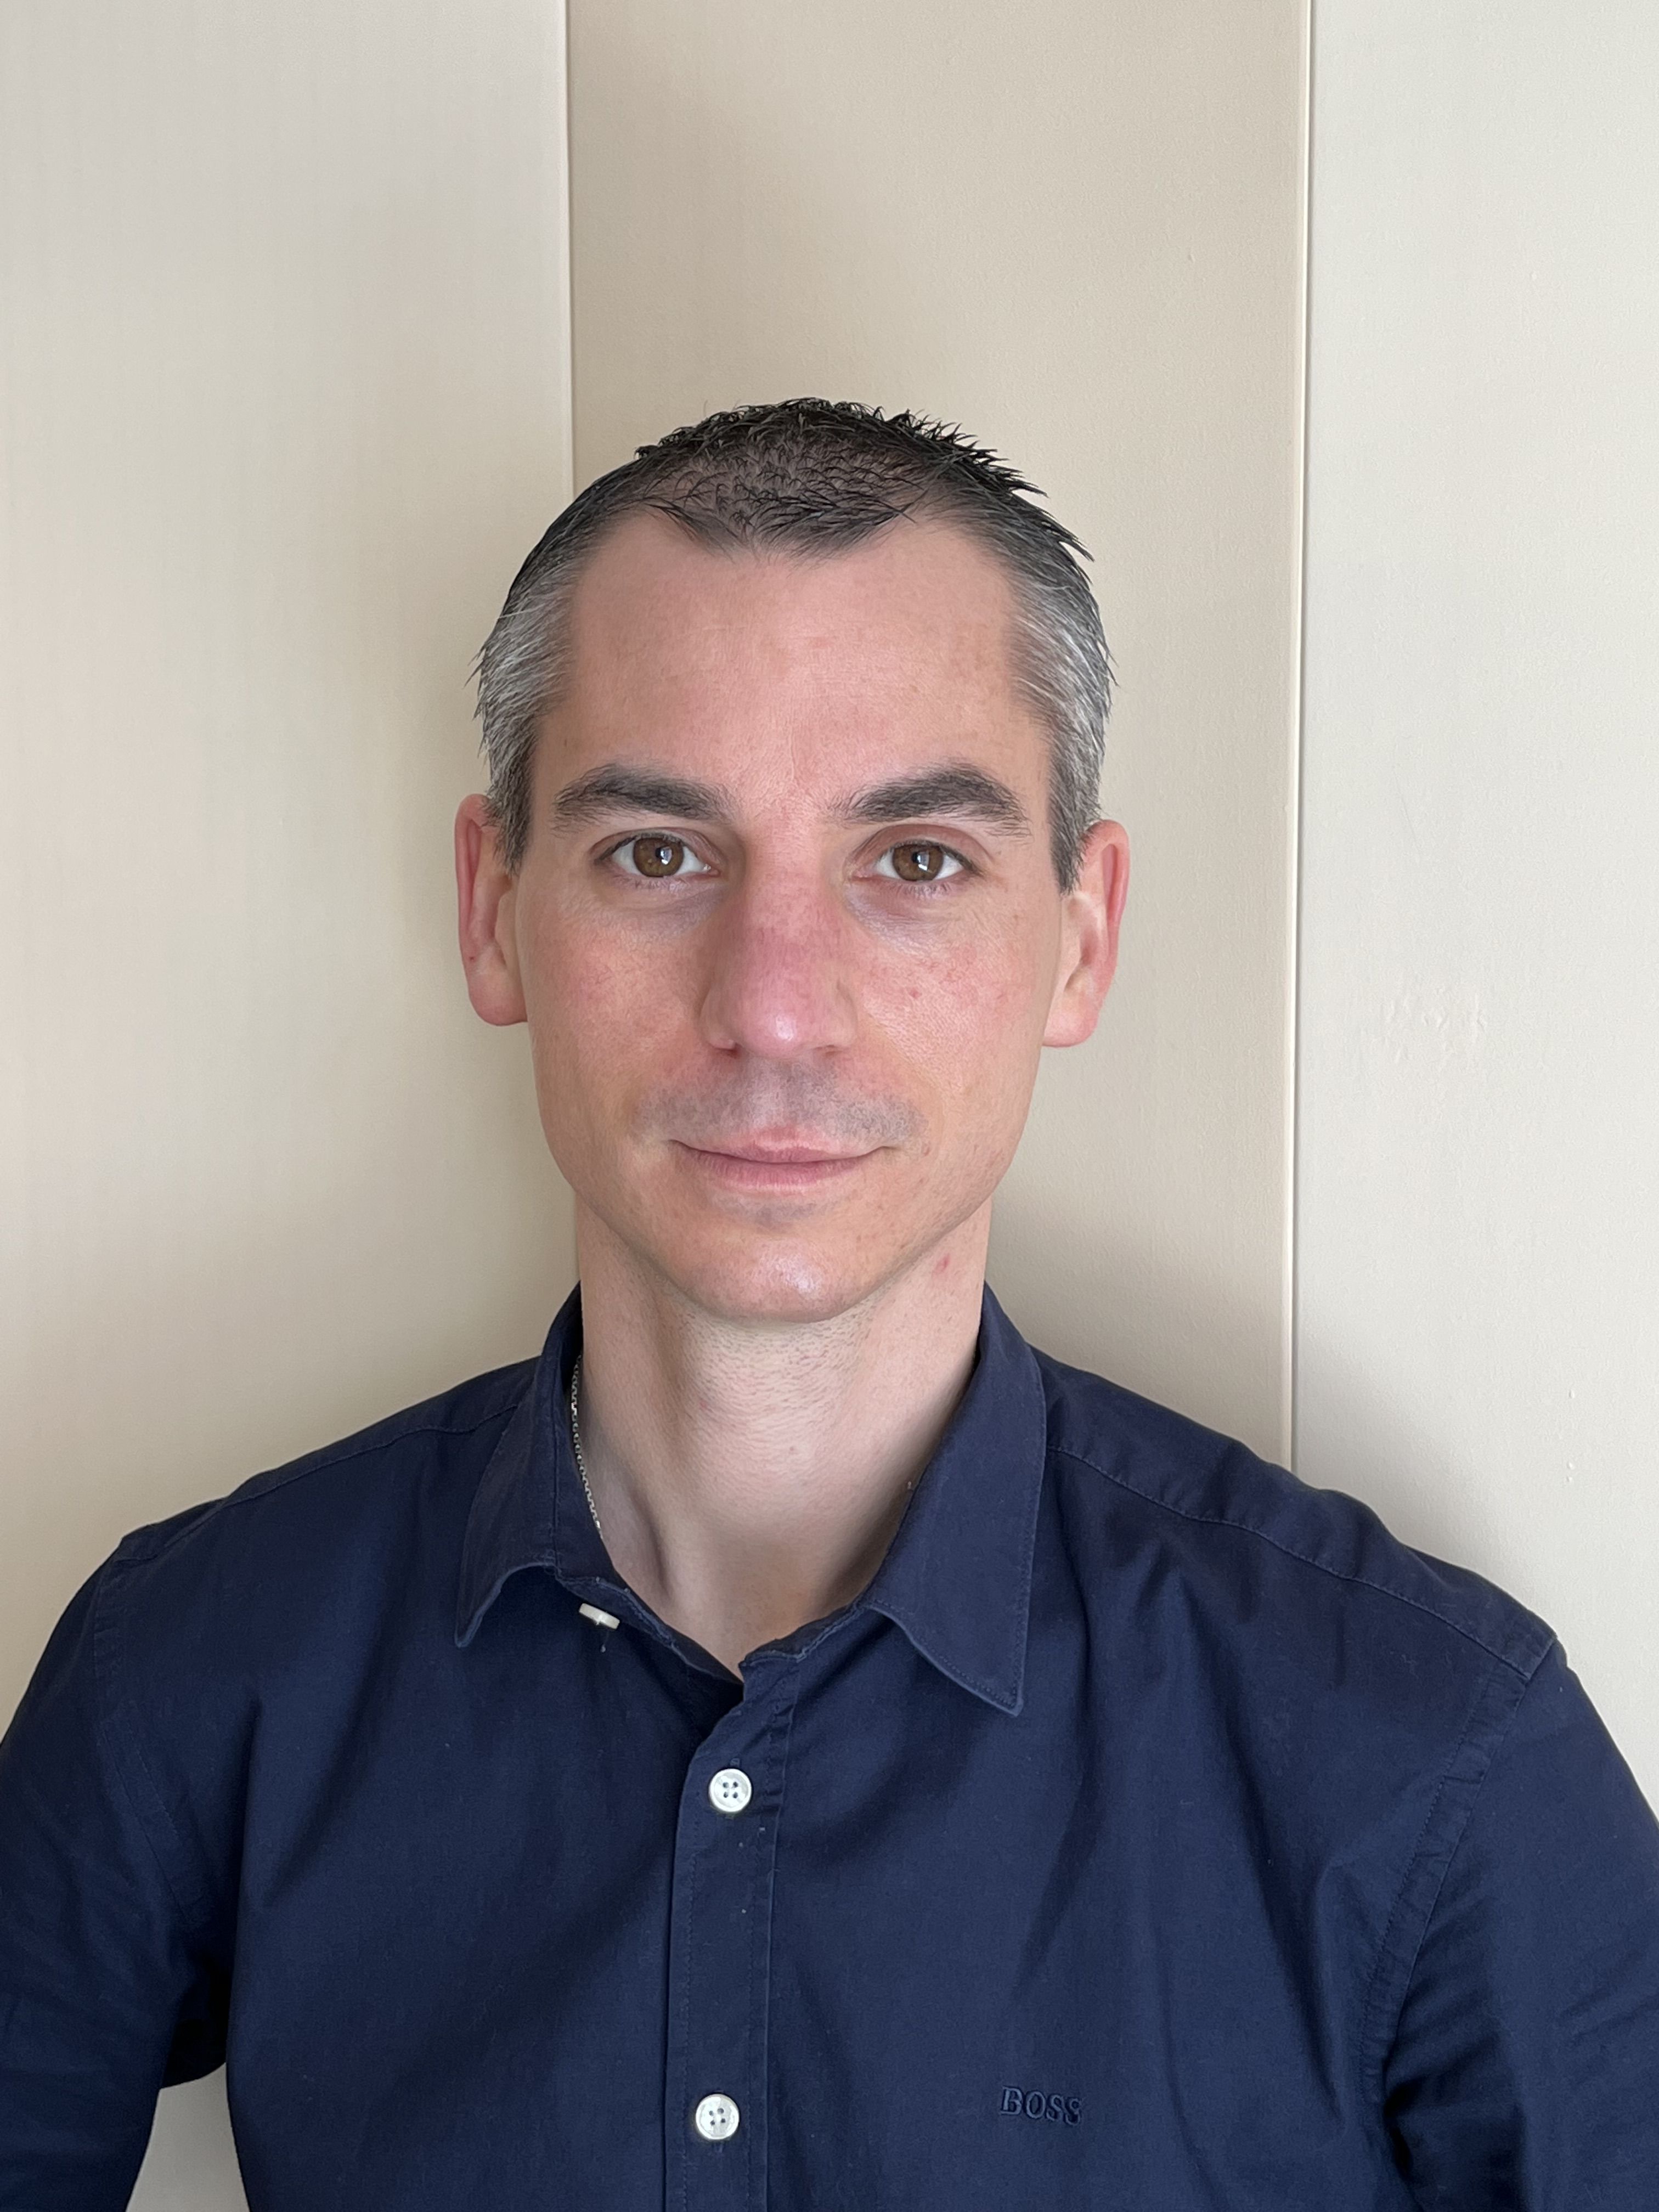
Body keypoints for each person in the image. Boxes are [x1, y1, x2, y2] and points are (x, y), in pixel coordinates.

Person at [2, 400, 1656, 2211]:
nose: (774, 1007)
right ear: (493, 908)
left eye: (917, 861)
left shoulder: (1438, 1750)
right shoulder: (197, 1664)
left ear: (1081, 938)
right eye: (658, 852)